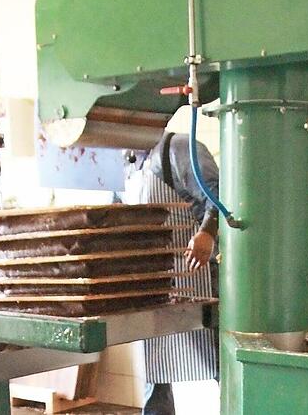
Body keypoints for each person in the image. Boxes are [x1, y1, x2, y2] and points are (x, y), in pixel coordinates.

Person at [122, 131, 220, 415]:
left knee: (221, 366)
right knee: (154, 368)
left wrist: (207, 232)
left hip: (199, 279)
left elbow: (221, 194)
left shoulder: (178, 149)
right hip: (153, 284)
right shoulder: (129, 163)